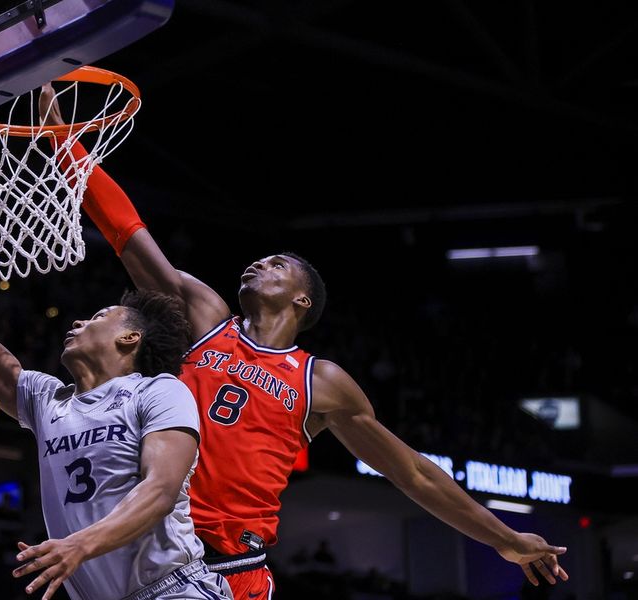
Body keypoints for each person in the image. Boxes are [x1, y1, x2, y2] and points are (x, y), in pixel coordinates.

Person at [38, 86, 571, 599]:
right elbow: (127, 231)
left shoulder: (320, 381)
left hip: (232, 565)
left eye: (277, 265)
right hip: (154, 546)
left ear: (302, 302)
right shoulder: (206, 318)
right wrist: (67, 145)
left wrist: (504, 539)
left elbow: (410, 472)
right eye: (259, 260)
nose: (258, 263)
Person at [0, 187, 232, 600]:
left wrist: (80, 544)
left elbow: (160, 490)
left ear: (130, 337)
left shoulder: (160, 391)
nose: (77, 322)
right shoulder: (47, 400)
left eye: (98, 317)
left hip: (174, 589)